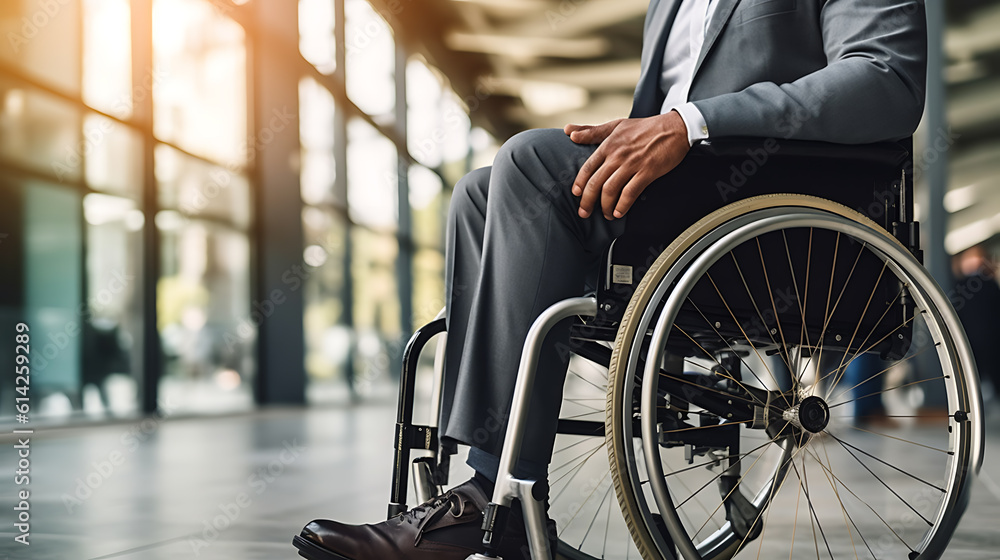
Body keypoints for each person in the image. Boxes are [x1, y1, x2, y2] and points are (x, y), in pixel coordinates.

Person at [294, 0, 927, 558]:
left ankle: (495, 494)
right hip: (684, 205)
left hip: (772, 215)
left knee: (527, 160)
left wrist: (692, 122)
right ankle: (489, 481)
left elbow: (886, 80)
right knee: (480, 194)